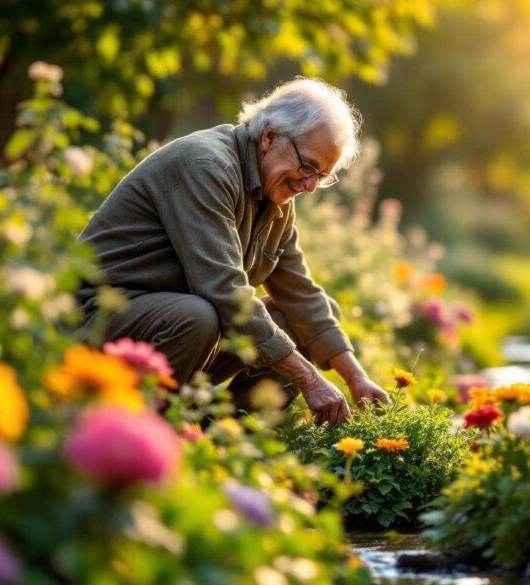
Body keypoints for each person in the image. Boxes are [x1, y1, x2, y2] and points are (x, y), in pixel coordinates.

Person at [76, 78, 390, 425]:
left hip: (173, 334)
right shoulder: (206, 166)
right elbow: (224, 291)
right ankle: (136, 430)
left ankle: (217, 437)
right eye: (308, 166)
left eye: (323, 175)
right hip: (98, 319)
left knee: (298, 322)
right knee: (197, 316)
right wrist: (309, 379)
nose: (311, 186)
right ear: (269, 137)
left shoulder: (275, 196)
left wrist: (356, 377)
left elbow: (301, 294)